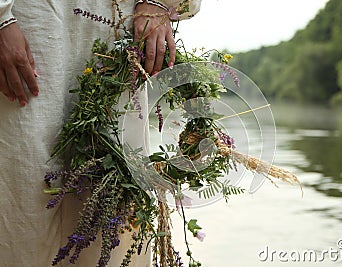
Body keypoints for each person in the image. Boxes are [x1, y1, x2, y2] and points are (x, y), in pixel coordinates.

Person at [0, 0, 201, 266]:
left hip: (117, 30)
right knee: (24, 191)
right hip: (29, 26)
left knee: (113, 197)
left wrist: (159, 3)